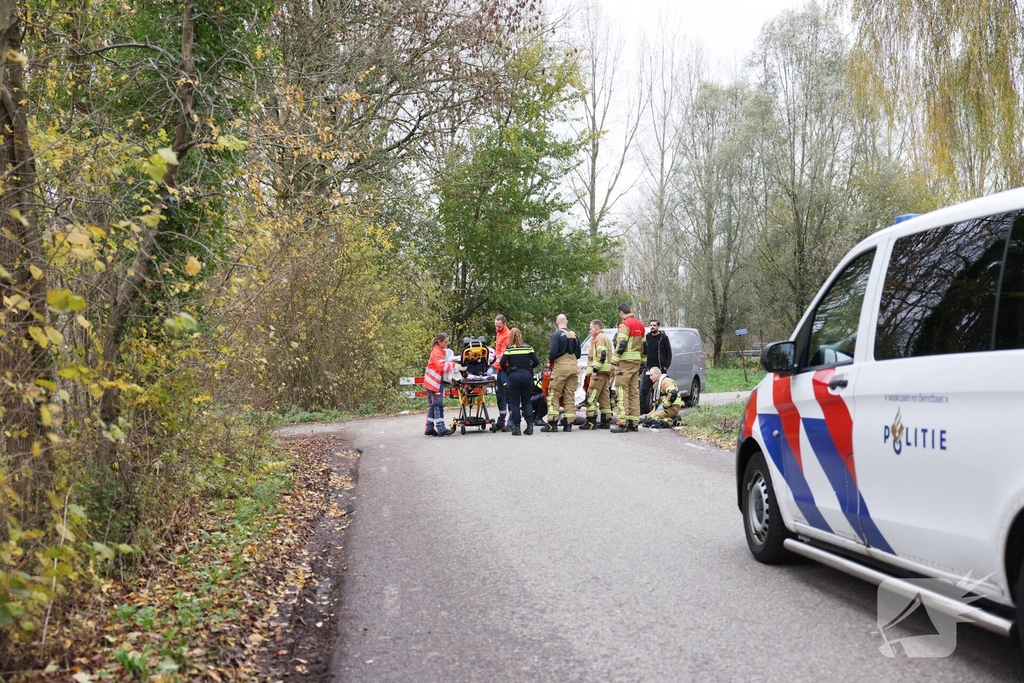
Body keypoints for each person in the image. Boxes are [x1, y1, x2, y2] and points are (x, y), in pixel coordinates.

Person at [610, 303, 646, 433]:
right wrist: (643, 362)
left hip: (624, 362)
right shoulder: (640, 324)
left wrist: (614, 361)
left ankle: (622, 422)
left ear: (621, 313)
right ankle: (633, 422)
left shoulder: (625, 324)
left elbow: (622, 343)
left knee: (622, 391)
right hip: (636, 362)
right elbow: (645, 346)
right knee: (633, 392)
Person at [544, 314, 581, 432]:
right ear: (567, 322)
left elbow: (553, 353)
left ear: (557, 322)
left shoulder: (556, 335)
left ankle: (552, 423)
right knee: (569, 394)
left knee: (553, 393)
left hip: (561, 366)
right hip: (573, 366)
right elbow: (579, 354)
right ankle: (569, 423)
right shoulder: (575, 335)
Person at [499, 327, 540, 435]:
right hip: (526, 376)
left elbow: (502, 363)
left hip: (514, 376)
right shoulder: (527, 347)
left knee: (515, 402)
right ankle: (530, 426)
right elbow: (536, 361)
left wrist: (507, 371)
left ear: (511, 337)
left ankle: (517, 428)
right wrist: (529, 368)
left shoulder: (509, 349)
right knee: (527, 401)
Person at [579, 320, 613, 430]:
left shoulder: (599, 338)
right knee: (604, 397)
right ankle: (606, 420)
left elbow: (601, 355)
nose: (590, 331)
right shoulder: (605, 337)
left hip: (599, 372)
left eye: (591, 328)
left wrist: (595, 369)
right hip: (604, 371)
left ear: (596, 328)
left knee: (591, 395)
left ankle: (591, 421)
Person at [423, 332, 456, 436]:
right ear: (439, 342)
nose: (447, 343)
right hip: (434, 383)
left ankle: (429, 428)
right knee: (437, 405)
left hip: (432, 381)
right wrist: (453, 364)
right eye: (446, 342)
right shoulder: (437, 352)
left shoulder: (439, 350)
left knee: (432, 405)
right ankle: (441, 428)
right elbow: (442, 367)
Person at [640, 319, 673, 415]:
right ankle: (641, 412)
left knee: (660, 391)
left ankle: (660, 411)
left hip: (660, 369)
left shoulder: (663, 338)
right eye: (651, 325)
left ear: (658, 326)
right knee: (644, 390)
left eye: (654, 325)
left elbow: (669, 353)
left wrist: (665, 367)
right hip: (649, 369)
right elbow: (643, 351)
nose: (652, 327)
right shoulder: (647, 337)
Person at [490, 314, 512, 432]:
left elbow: (503, 356)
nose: (497, 328)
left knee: (508, 395)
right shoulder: (499, 333)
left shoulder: (507, 335)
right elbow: (497, 353)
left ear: (504, 324)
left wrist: (492, 366)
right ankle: (501, 420)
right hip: (500, 369)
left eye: (499, 326)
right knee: (500, 395)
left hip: (506, 369)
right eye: (496, 326)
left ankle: (511, 421)